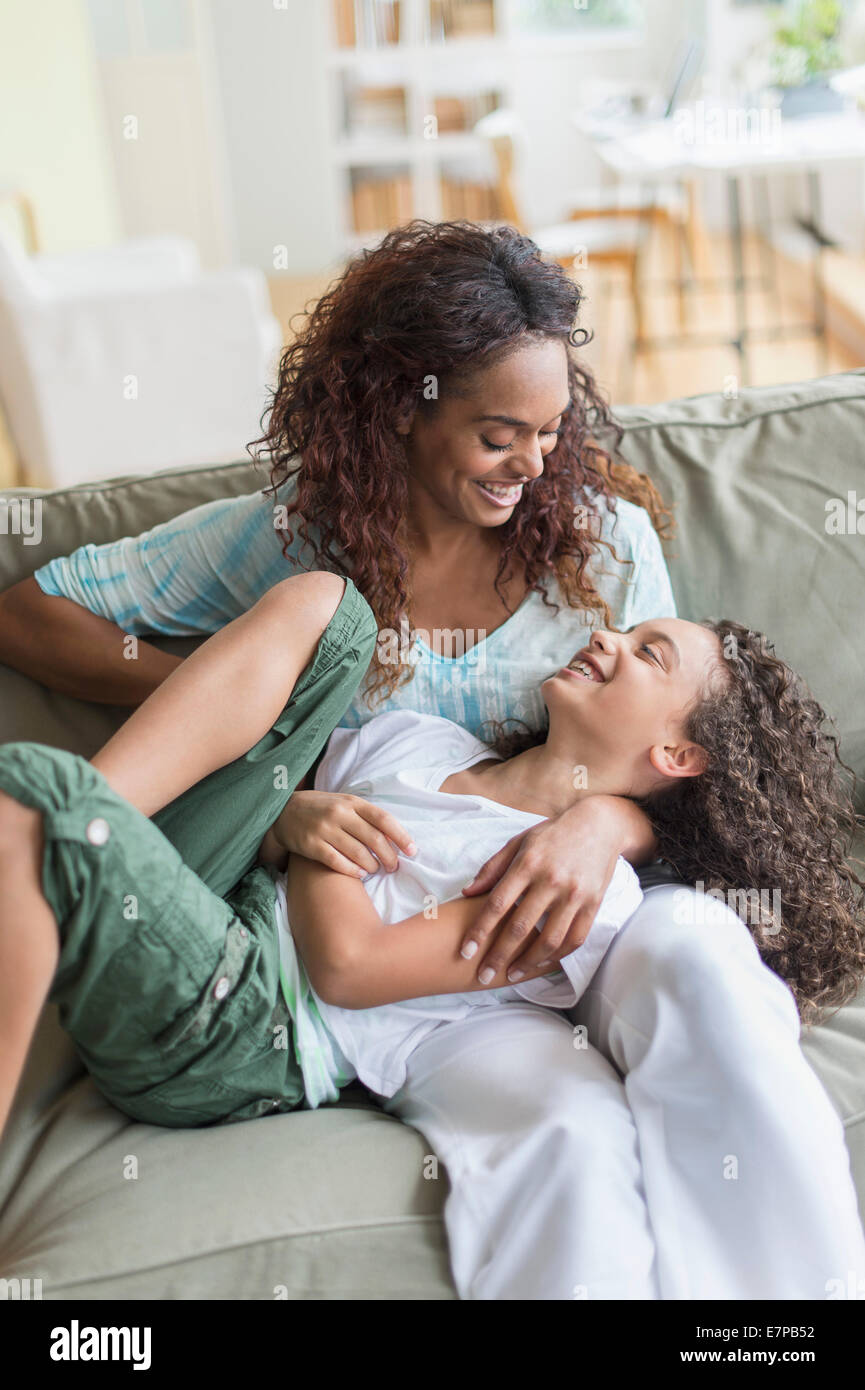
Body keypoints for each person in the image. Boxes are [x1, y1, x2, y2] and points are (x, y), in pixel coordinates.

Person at [1, 573, 863, 1300]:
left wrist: (315, 849)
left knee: (36, 785)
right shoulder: (412, 739)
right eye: (625, 628)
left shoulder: (575, 894)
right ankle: (66, 840)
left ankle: (63, 835)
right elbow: (267, 794)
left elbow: (345, 966)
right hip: (210, 903)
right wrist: (290, 813)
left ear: (678, 754)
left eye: (648, 653)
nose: (608, 636)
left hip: (245, 1022)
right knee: (329, 607)